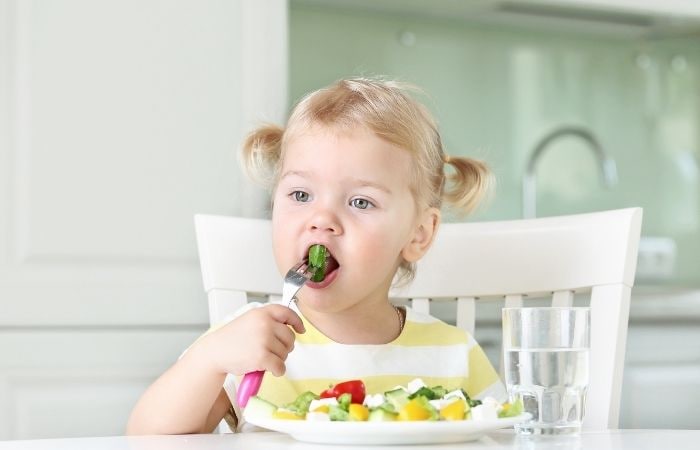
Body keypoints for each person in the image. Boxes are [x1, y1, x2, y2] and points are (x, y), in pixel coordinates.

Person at [127, 77, 505, 435]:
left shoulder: (455, 355)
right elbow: (147, 437)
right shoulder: (248, 342)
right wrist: (208, 361)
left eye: (360, 202)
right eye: (301, 195)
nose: (322, 220)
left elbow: (506, 439)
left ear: (419, 234)